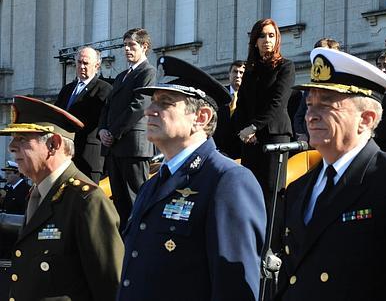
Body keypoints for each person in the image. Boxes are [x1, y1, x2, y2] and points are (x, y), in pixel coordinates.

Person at [276, 48, 386, 301]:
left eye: (327, 104)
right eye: (310, 104)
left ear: (366, 119)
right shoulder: (299, 188)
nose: (311, 115)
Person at [118, 56, 266, 301]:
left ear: (201, 117)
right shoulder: (153, 183)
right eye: (152, 102)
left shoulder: (227, 181)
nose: (149, 111)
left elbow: (234, 288)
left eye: (164, 103)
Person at [0, 96, 123, 300]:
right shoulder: (38, 194)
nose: (11, 146)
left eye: (22, 138)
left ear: (53, 144)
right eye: (13, 138)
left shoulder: (87, 201)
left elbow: (111, 287)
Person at [233, 18, 295, 212]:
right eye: (262, 36)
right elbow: (242, 105)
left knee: (272, 193)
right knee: (250, 191)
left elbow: (278, 102)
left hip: (275, 136)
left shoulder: (285, 66)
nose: (267, 40)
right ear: (254, 40)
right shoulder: (250, 70)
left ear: (277, 39)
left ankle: (272, 241)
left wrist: (253, 127)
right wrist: (242, 131)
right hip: (250, 140)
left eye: (271, 35)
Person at [99, 28, 156, 230]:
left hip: (133, 148)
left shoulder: (147, 72)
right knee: (120, 203)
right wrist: (102, 130)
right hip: (114, 147)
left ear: (144, 47)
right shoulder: (122, 75)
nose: (127, 49)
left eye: (131, 45)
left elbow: (139, 105)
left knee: (136, 200)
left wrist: (112, 132)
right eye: (124, 45)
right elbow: (108, 107)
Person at [54, 46, 112, 183]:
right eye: (79, 62)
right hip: (65, 155)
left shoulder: (104, 89)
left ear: (97, 65)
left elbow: (94, 118)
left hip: (88, 156)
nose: (82, 66)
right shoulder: (67, 89)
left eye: (86, 63)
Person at [293, 38, 341, 142]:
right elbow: (299, 116)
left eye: (324, 55)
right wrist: (302, 134)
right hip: (310, 142)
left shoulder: (342, 88)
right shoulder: (310, 88)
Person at [213, 60, 245, 159]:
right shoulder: (218, 93)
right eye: (235, 72)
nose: (238, 75)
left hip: (240, 149)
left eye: (241, 73)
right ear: (229, 74)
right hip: (219, 149)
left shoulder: (250, 97)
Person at [0, 161, 30, 259]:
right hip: (5, 234)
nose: (6, 176)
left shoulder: (26, 190)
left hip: (16, 234)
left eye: (9, 174)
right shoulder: (8, 189)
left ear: (17, 174)